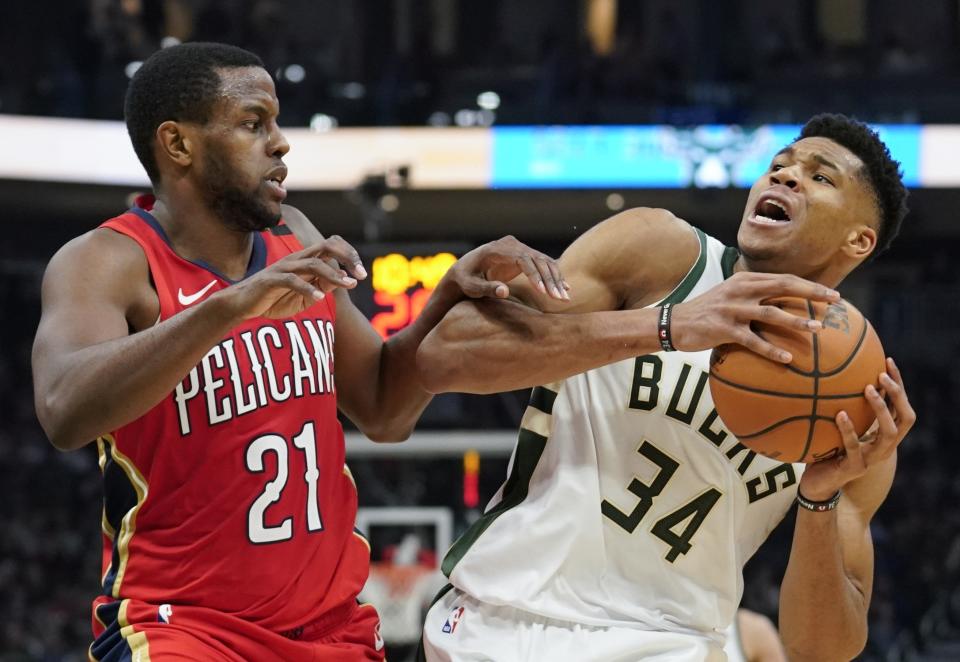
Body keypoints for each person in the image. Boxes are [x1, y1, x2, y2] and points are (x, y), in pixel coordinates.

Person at [30, 42, 568, 661]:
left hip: (330, 629)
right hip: (183, 629)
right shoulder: (107, 262)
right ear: (178, 144)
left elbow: (385, 410)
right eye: (253, 123)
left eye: (276, 123)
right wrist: (230, 305)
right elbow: (63, 408)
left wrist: (444, 299)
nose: (280, 142)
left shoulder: (296, 239)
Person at [416, 114, 915, 661]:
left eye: (820, 178)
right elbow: (446, 353)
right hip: (494, 622)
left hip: (667, 646)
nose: (785, 178)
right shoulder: (666, 255)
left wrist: (818, 498)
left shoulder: (861, 409)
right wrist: (667, 327)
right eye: (778, 166)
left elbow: (821, 650)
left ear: (859, 239)